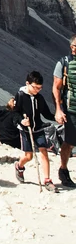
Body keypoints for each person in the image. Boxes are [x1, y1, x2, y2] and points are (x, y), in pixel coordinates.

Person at [13, 71, 56, 188]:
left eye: (40, 88)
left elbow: (46, 113)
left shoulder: (39, 98)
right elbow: (15, 113)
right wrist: (21, 121)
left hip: (38, 129)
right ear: (27, 83)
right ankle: (19, 166)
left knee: (44, 152)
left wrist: (56, 117)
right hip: (26, 130)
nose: (37, 90)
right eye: (35, 87)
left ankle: (47, 180)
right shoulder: (20, 95)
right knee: (29, 156)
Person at [53, 35, 76, 189]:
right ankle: (63, 169)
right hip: (71, 109)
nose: (75, 48)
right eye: (74, 45)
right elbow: (56, 86)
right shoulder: (64, 63)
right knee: (70, 142)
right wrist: (58, 110)